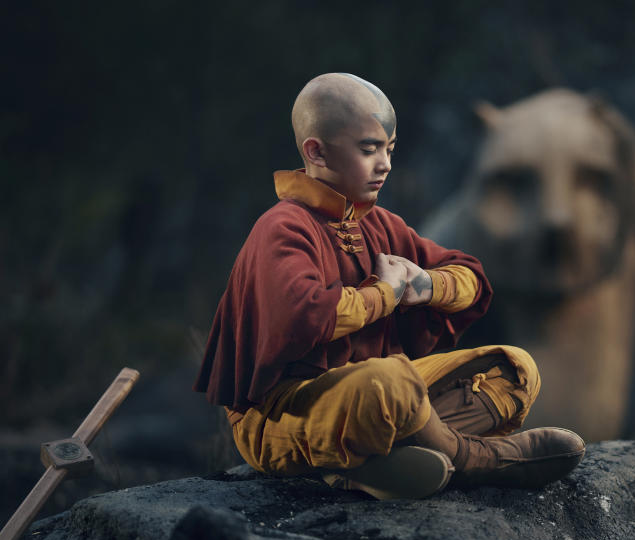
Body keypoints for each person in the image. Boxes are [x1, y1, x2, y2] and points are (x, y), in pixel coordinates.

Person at [194, 73, 584, 500]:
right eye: (369, 149)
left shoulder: (377, 223)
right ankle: (477, 460)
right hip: (281, 414)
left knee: (514, 367)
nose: (386, 164)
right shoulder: (281, 227)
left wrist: (424, 284)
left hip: (383, 400)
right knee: (391, 382)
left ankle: (373, 466)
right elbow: (305, 315)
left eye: (390, 149)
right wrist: (386, 293)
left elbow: (470, 279)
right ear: (316, 151)